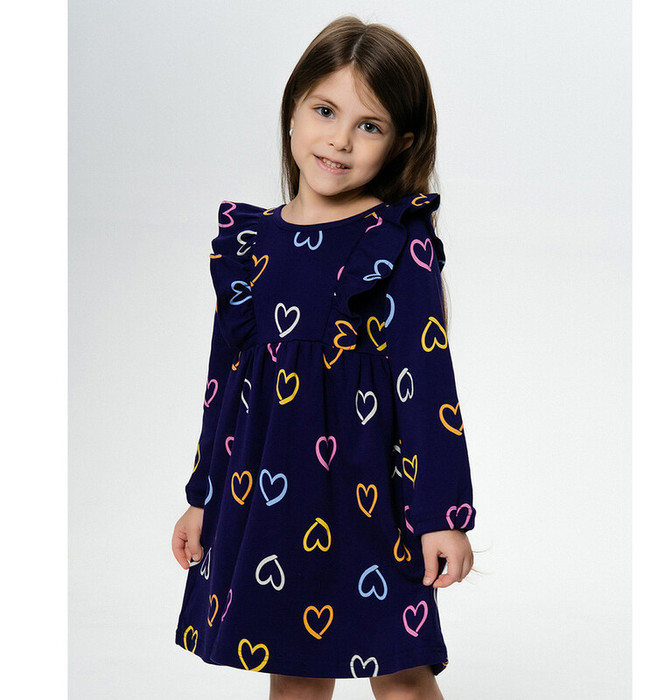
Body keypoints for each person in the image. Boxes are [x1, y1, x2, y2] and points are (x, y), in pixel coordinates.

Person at [171, 15, 478, 700]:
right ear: (293, 110)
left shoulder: (394, 244)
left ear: (400, 142)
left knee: (400, 671)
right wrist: (202, 499)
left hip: (372, 501)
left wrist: (442, 514)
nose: (340, 139)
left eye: (368, 125)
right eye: (325, 111)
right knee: (295, 675)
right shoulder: (251, 245)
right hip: (272, 500)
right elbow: (224, 386)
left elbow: (427, 388)